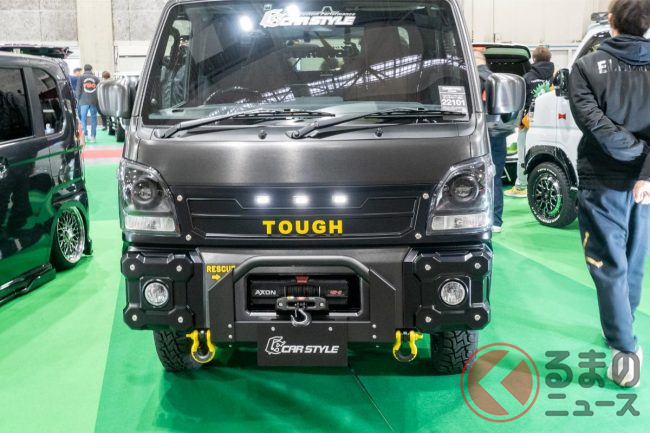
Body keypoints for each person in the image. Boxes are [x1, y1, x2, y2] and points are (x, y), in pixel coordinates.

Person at [569, 0, 650, 388]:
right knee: (634, 259)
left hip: (602, 179)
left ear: (612, 22)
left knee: (609, 264)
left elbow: (595, 125)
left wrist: (634, 151)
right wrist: (647, 167)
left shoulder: (586, 67)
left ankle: (625, 350)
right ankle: (623, 325)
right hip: (645, 184)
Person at [506, 47, 555, 198]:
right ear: (549, 59)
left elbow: (522, 101)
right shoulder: (554, 77)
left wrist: (519, 121)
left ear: (533, 59)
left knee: (523, 152)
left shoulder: (527, 77)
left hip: (529, 122)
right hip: (549, 122)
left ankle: (521, 185)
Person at [475, 50, 515, 233]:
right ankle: (496, 221)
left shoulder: (470, 79)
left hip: (475, 134)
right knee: (495, 177)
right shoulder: (498, 81)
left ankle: (475, 218)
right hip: (498, 134)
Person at [76, 64, 100, 143]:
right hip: (94, 101)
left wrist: (77, 98)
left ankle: (85, 135)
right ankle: (93, 136)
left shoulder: (81, 78)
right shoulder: (96, 78)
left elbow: (78, 89)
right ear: (91, 69)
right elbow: (99, 90)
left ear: (84, 69)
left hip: (83, 101)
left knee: (83, 118)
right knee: (94, 118)